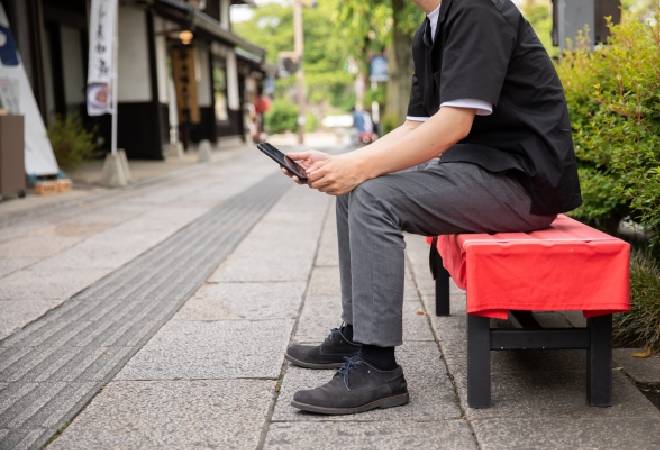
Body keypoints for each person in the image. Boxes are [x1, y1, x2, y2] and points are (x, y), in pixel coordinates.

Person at [281, 0, 581, 415]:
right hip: (481, 171)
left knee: (373, 194)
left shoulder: (477, 9)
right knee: (355, 186)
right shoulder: (431, 27)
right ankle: (357, 333)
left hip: (522, 182)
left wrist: (358, 168)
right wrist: (341, 165)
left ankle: (378, 369)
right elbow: (416, 126)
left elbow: (453, 126)